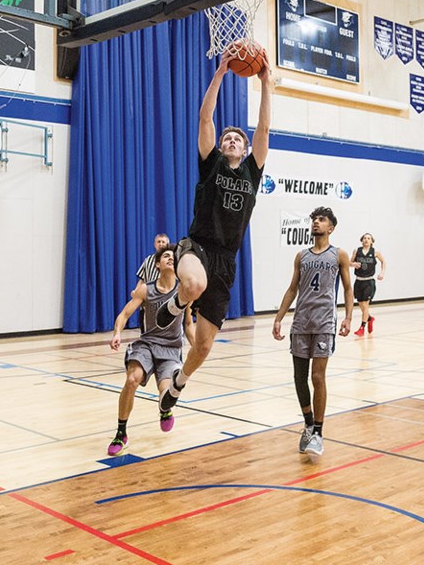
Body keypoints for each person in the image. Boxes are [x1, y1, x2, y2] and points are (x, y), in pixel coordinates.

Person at [157, 46, 273, 412]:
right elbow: (205, 119)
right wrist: (221, 73)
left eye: (237, 138)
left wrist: (266, 82)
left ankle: (176, 386)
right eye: (228, 138)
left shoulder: (253, 170)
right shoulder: (211, 165)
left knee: (203, 346)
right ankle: (173, 308)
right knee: (193, 284)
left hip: (227, 258)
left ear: (246, 147)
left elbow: (265, 127)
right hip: (198, 246)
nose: (231, 140)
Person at [273, 207, 354, 457]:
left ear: (331, 228)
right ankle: (308, 424)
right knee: (299, 378)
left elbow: (349, 289)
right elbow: (292, 289)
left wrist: (349, 318)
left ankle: (318, 432)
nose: (316, 223)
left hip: (324, 323)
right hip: (301, 322)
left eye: (321, 220)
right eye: (314, 220)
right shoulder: (301, 256)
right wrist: (278, 318)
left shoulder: (339, 255)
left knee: (317, 377)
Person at [106, 245, 194, 456]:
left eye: (173, 257)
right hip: (147, 345)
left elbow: (188, 324)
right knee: (131, 380)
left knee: (167, 393)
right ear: (157, 264)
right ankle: (121, 433)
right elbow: (124, 314)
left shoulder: (184, 291)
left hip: (171, 349)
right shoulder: (146, 289)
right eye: (165, 256)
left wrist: (199, 346)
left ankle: (165, 410)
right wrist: (117, 332)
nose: (170, 259)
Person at [351, 233, 386, 337]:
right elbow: (349, 262)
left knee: (365, 305)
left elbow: (383, 262)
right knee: (361, 305)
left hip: (369, 282)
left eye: (368, 238)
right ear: (362, 240)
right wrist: (353, 264)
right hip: (358, 281)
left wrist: (382, 273)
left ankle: (362, 327)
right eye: (364, 238)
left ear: (372, 241)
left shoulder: (375, 252)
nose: (366, 240)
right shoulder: (356, 251)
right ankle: (370, 318)